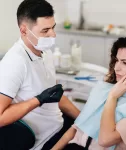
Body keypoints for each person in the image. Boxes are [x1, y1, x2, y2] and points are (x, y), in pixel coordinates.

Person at [0, 0, 80, 150]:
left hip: (58, 125)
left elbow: (56, 95)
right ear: (24, 31)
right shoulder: (15, 62)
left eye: (53, 28)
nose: (53, 34)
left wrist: (82, 119)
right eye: (45, 31)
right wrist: (38, 100)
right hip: (42, 141)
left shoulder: (45, 53)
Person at [51, 37, 126, 150]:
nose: (116, 68)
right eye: (117, 60)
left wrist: (112, 97)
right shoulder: (103, 89)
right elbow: (77, 127)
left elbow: (105, 140)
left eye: (125, 63)